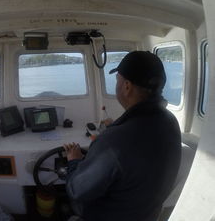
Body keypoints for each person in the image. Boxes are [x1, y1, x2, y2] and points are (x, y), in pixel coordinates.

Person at [64, 51, 181, 221]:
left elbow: (77, 190)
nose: (117, 84)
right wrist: (116, 128)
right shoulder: (170, 121)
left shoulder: (114, 142)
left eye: (117, 79)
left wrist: (74, 161)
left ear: (126, 86)